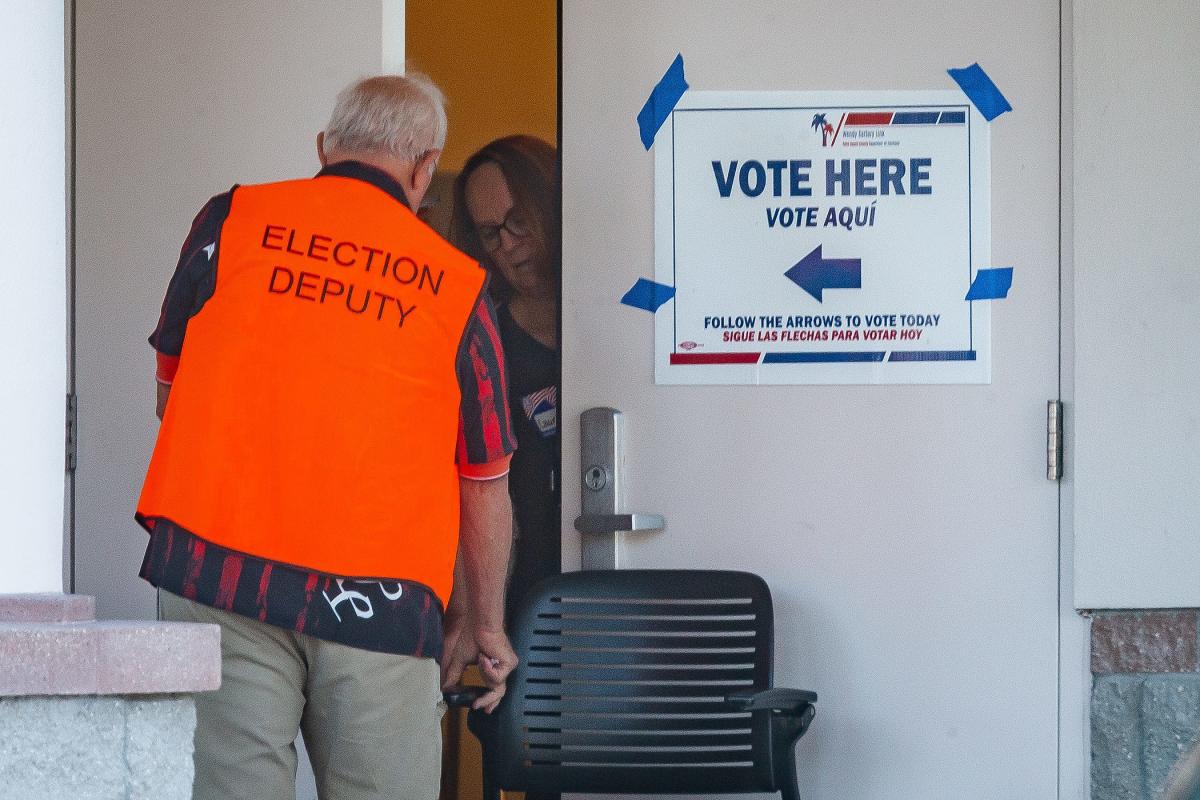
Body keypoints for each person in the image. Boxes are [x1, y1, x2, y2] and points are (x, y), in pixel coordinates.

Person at [136, 74, 518, 800]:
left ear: (324, 148)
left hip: (219, 573)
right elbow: (484, 479)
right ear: (423, 167)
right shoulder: (457, 286)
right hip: (376, 599)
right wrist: (485, 627)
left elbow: (172, 392)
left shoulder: (234, 220)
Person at [451, 136, 561, 625]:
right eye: (491, 233)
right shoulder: (484, 344)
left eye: (519, 220)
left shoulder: (626, 317)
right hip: (526, 598)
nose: (509, 245)